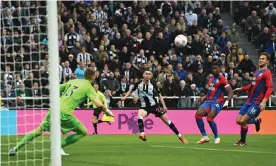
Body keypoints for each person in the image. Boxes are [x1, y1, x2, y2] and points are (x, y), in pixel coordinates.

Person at [8, 68, 114, 156]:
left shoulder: (73, 81)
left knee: (39, 130)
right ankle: (58, 146)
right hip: (65, 113)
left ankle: (15, 148)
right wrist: (108, 111)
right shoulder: (88, 87)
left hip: (54, 108)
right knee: (83, 131)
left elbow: (56, 88)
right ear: (94, 76)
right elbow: (98, 104)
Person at [121, 70, 188, 143]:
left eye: (149, 74)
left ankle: (180, 136)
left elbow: (159, 95)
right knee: (139, 114)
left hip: (155, 106)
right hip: (144, 106)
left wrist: (164, 105)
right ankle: (142, 134)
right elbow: (130, 91)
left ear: (151, 76)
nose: (148, 75)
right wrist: (125, 97)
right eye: (146, 74)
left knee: (167, 121)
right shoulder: (138, 83)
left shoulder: (153, 83)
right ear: (143, 75)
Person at [233, 52, 273, 146]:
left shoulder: (267, 73)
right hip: (248, 101)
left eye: (263, 59)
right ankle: (255, 121)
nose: (260, 60)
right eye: (260, 58)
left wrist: (264, 101)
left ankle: (243, 140)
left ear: (267, 61)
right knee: (238, 121)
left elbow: (270, 88)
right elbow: (252, 85)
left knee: (243, 121)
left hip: (257, 103)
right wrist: (240, 89)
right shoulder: (257, 72)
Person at [195, 62, 233, 144]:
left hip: (217, 102)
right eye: (213, 68)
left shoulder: (222, 79)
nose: (214, 70)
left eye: (216, 68)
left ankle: (216, 137)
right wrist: (205, 97)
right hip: (209, 101)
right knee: (198, 115)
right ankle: (205, 137)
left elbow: (230, 92)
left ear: (219, 69)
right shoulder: (210, 79)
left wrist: (227, 102)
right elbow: (210, 91)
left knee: (209, 119)